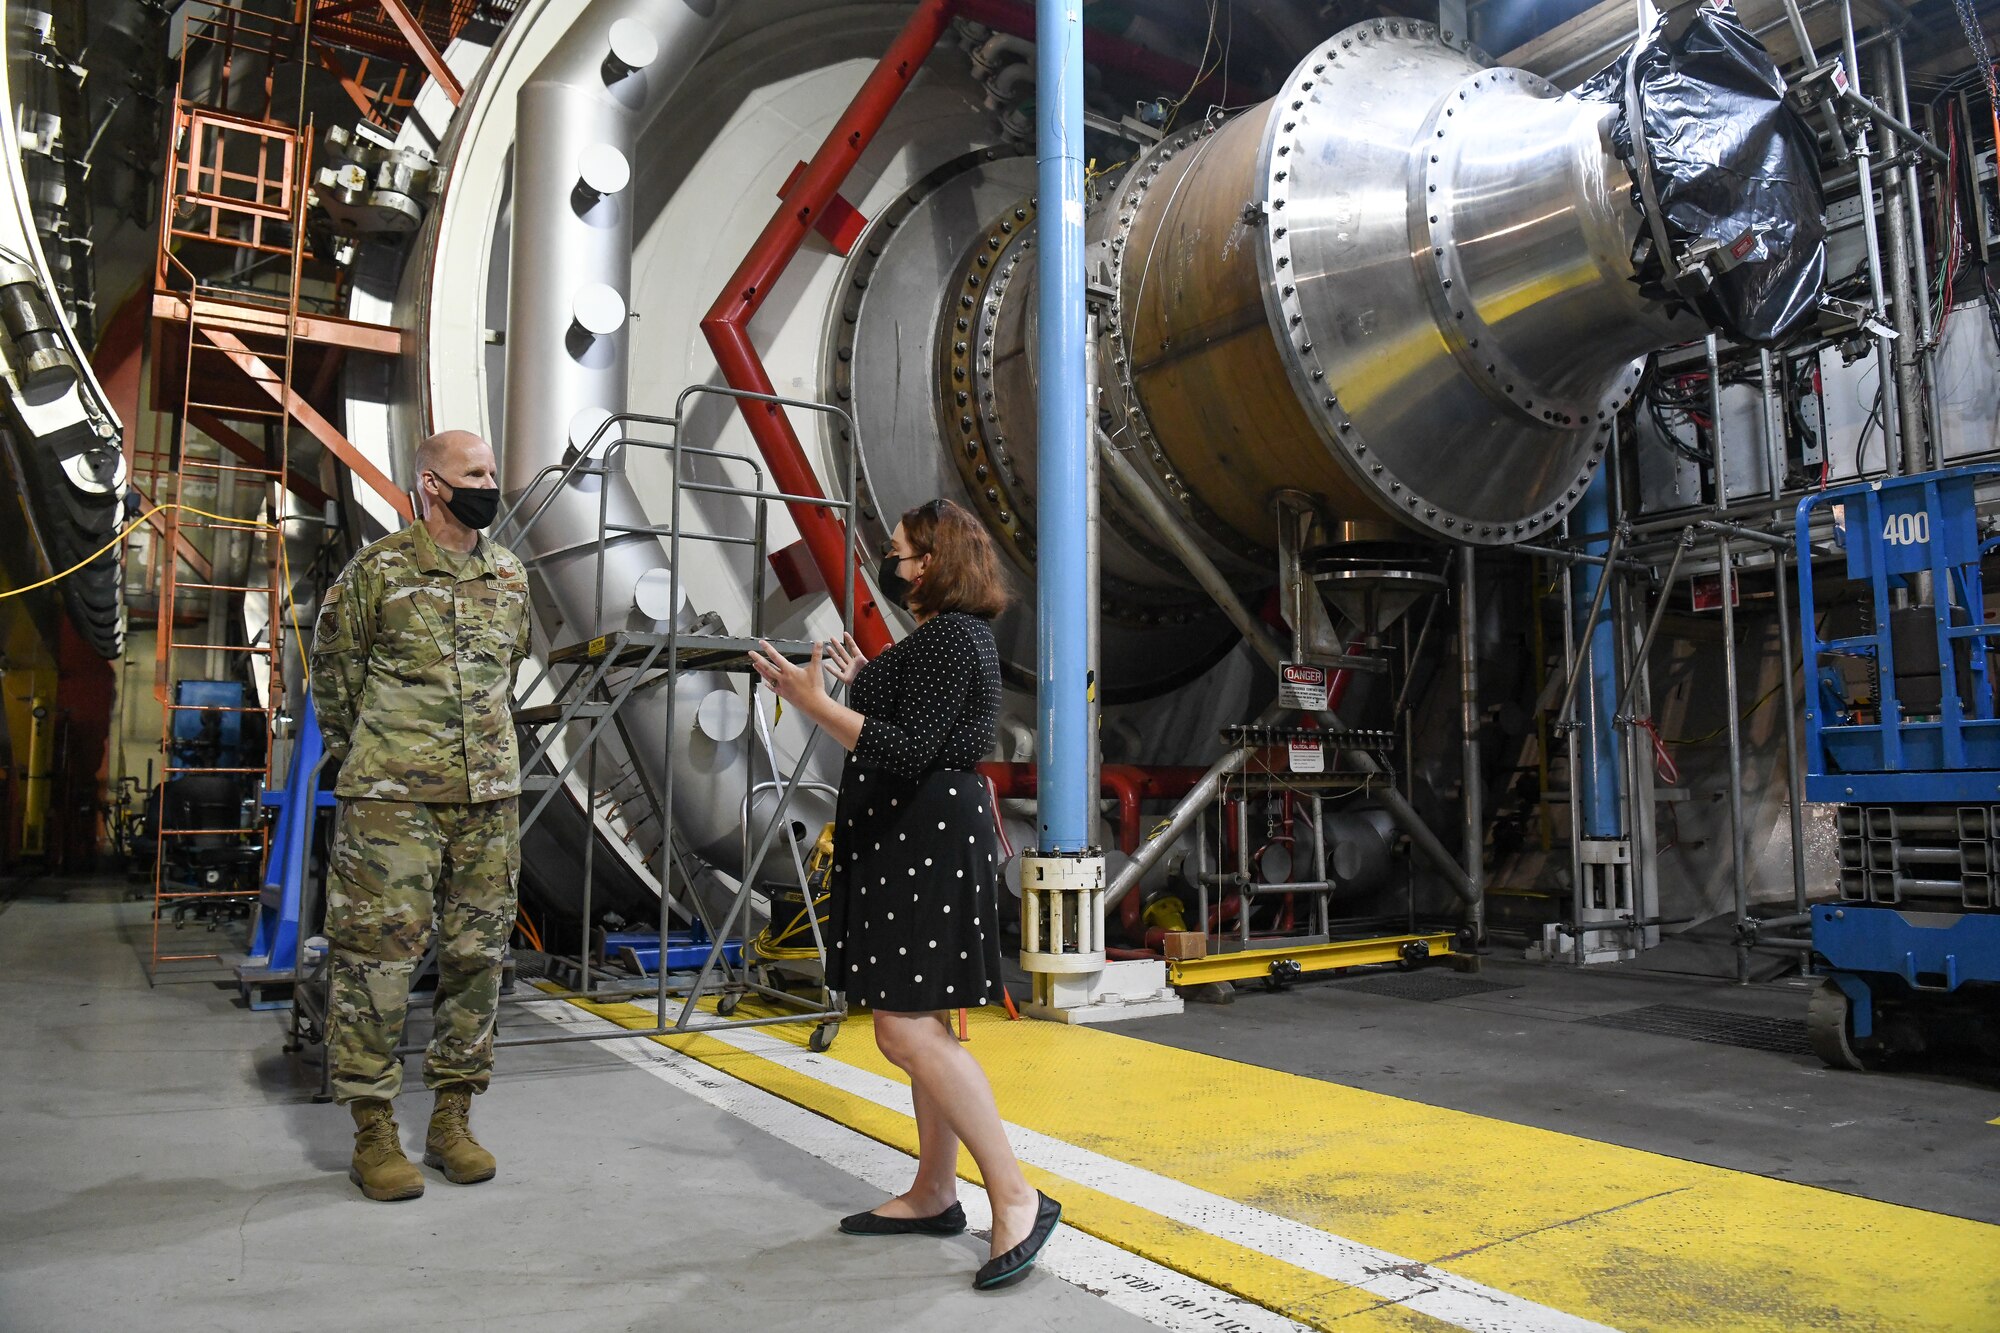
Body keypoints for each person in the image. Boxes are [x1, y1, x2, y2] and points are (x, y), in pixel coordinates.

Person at [748, 498, 1062, 1290]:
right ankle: (934, 1189)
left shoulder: (956, 637)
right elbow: (911, 720)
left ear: (933, 561)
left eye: (901, 552)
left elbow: (915, 747)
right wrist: (864, 680)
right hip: (907, 837)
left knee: (904, 1029)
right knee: (913, 1017)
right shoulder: (939, 641)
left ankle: (1016, 1194)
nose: (893, 564)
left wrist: (815, 702)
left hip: (923, 836)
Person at [309, 429, 531, 1202]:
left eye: (493, 472)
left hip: (489, 803)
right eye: (475, 473)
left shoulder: (509, 574)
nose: (489, 484)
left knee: (477, 959)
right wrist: (373, 759)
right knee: (375, 963)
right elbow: (333, 677)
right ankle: (373, 1133)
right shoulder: (378, 570)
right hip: (393, 807)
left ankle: (452, 1121)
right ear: (432, 483)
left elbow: (508, 673)